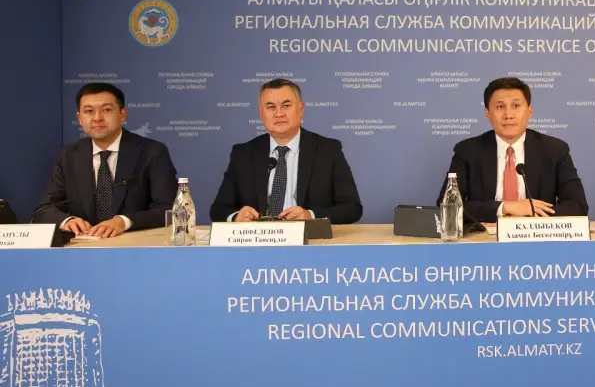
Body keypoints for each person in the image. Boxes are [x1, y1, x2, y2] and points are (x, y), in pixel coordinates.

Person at [33, 83, 178, 238]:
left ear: (122, 114)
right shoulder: (68, 156)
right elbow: (44, 210)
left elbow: (168, 208)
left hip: (134, 244)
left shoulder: (152, 152)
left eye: (106, 110)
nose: (97, 118)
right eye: (89, 111)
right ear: (79, 118)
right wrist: (67, 221)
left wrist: (124, 222)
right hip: (83, 245)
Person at [209, 79, 363, 223]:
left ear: (301, 109)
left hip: (309, 239)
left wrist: (310, 215)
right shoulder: (243, 154)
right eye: (270, 107)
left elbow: (352, 208)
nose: (279, 114)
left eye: (286, 105)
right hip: (259, 240)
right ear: (261, 113)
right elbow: (218, 209)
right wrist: (236, 217)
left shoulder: (328, 151)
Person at [440, 77, 588, 223]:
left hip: (535, 233)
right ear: (487, 113)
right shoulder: (468, 151)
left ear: (529, 111)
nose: (508, 115)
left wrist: (533, 214)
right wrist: (504, 207)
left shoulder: (554, 150)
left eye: (516, 106)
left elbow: (577, 205)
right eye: (500, 107)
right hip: (486, 234)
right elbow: (447, 206)